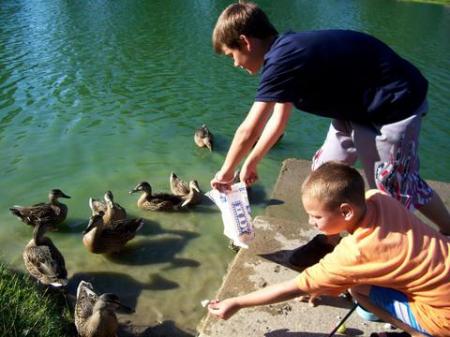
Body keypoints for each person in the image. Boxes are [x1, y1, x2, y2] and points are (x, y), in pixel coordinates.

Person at [209, 2, 450, 242]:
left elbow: (248, 130)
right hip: (354, 107)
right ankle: (328, 243)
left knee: (394, 186)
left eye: (232, 55)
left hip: (394, 104)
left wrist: (226, 173)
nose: (236, 64)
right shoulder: (284, 57)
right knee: (324, 174)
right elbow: (278, 119)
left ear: (245, 42)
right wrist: (252, 161)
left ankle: (442, 231)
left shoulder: (282, 59)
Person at [208, 162, 450, 337]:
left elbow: (294, 287)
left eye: (316, 216)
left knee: (357, 288)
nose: (311, 223)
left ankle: (416, 333)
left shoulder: (355, 254)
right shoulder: (378, 199)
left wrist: (237, 302)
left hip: (444, 318)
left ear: (346, 211)